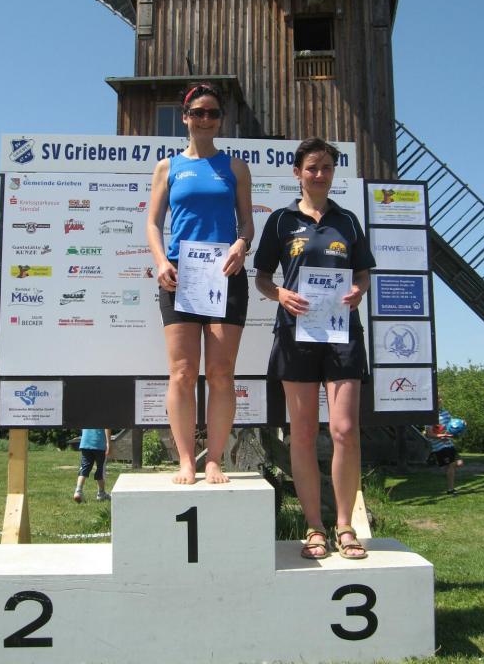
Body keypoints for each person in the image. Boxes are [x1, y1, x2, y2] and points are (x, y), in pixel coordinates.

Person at [254, 137, 375, 560]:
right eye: (312, 167)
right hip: (296, 333)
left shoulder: (348, 221)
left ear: (333, 173)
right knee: (303, 433)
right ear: (297, 173)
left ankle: (345, 525)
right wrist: (280, 295)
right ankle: (314, 527)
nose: (319, 174)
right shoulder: (281, 221)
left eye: (326, 167)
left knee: (344, 430)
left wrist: (358, 290)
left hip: (342, 334)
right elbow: (262, 278)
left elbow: (362, 274)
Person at [147, 82, 253, 485]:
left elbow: (247, 223)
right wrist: (161, 261)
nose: (205, 119)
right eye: (198, 112)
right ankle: (186, 460)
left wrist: (242, 244)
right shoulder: (168, 167)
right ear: (185, 117)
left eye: (213, 113)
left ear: (220, 120)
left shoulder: (236, 167)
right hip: (181, 273)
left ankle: (215, 460)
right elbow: (153, 223)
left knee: (222, 373)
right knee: (182, 372)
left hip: (226, 272)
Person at [425, 394, 464, 495]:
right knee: (451, 465)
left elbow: (452, 426)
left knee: (459, 463)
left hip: (449, 443)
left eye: (440, 398)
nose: (440, 400)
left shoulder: (445, 413)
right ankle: (451, 489)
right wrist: (441, 436)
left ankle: (443, 467)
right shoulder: (429, 415)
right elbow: (429, 434)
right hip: (439, 446)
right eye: (438, 398)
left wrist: (462, 424)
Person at [73, 428, 112, 502]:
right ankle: (101, 493)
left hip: (85, 441)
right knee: (100, 468)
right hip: (99, 443)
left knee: (84, 467)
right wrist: (108, 443)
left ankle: (78, 491)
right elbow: (107, 427)